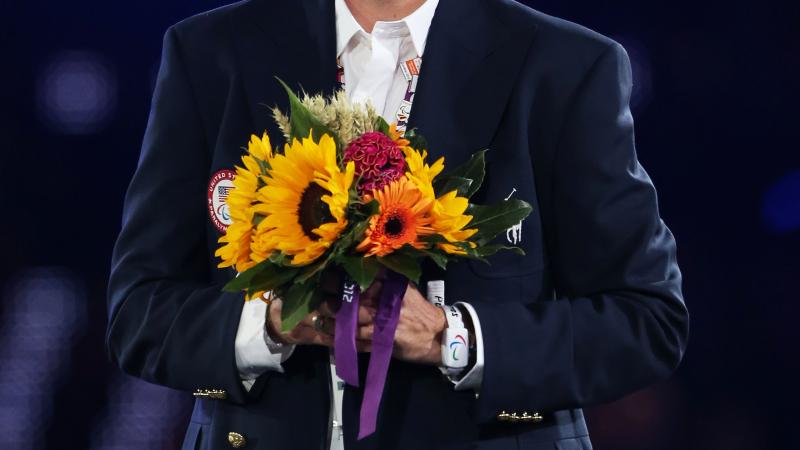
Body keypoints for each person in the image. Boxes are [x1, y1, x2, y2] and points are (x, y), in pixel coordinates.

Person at [106, 0, 690, 449]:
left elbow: (647, 318)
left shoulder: (564, 66)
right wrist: (272, 325)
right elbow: (138, 312)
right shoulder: (210, 53)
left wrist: (449, 338)